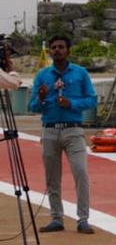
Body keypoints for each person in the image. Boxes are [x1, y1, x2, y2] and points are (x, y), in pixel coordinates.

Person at [29, 36, 96, 234]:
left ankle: (83, 218)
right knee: (52, 176)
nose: (57, 50)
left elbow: (92, 100)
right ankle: (56, 217)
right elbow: (32, 106)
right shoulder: (42, 75)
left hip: (73, 129)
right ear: (50, 51)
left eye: (61, 47)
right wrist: (40, 98)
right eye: (54, 47)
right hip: (50, 129)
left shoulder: (80, 73)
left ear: (68, 50)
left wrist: (72, 104)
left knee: (81, 172)